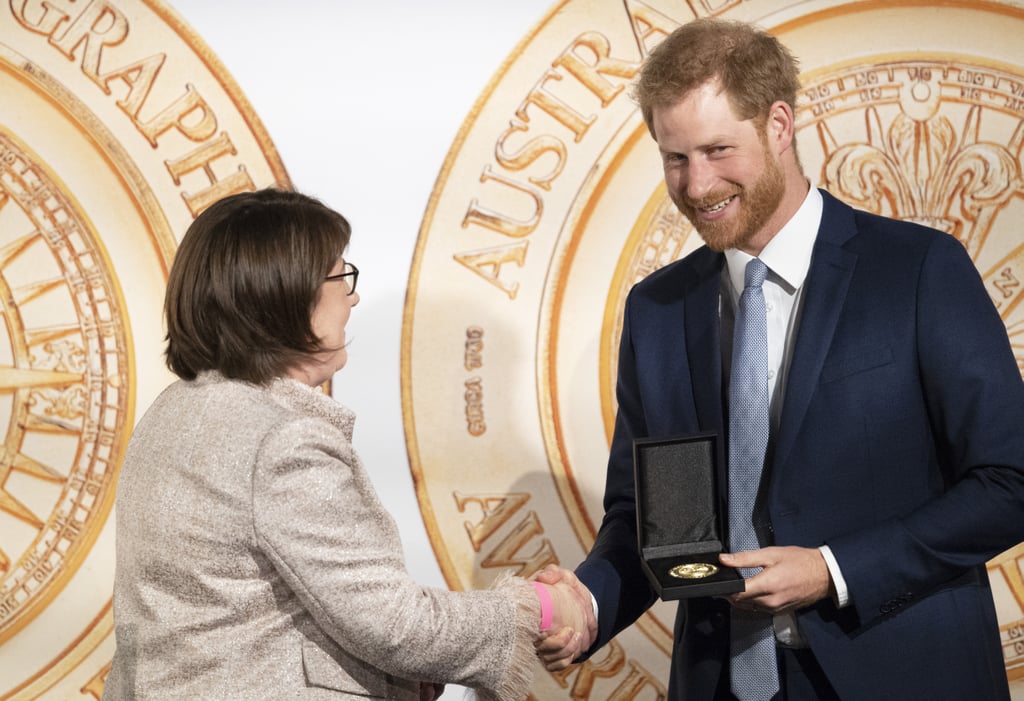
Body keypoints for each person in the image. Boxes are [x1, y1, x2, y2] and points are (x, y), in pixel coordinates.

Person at [534, 17, 1024, 700]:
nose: (696, 185)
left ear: (780, 124)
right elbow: (653, 525)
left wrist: (832, 568)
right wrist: (588, 602)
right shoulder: (658, 308)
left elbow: (1010, 481)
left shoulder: (917, 271)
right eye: (675, 157)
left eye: (716, 149)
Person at [104, 188, 594, 700]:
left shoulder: (173, 412)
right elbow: (395, 625)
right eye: (340, 276)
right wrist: (537, 607)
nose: (352, 295)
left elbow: (257, 612)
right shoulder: (281, 440)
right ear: (286, 295)